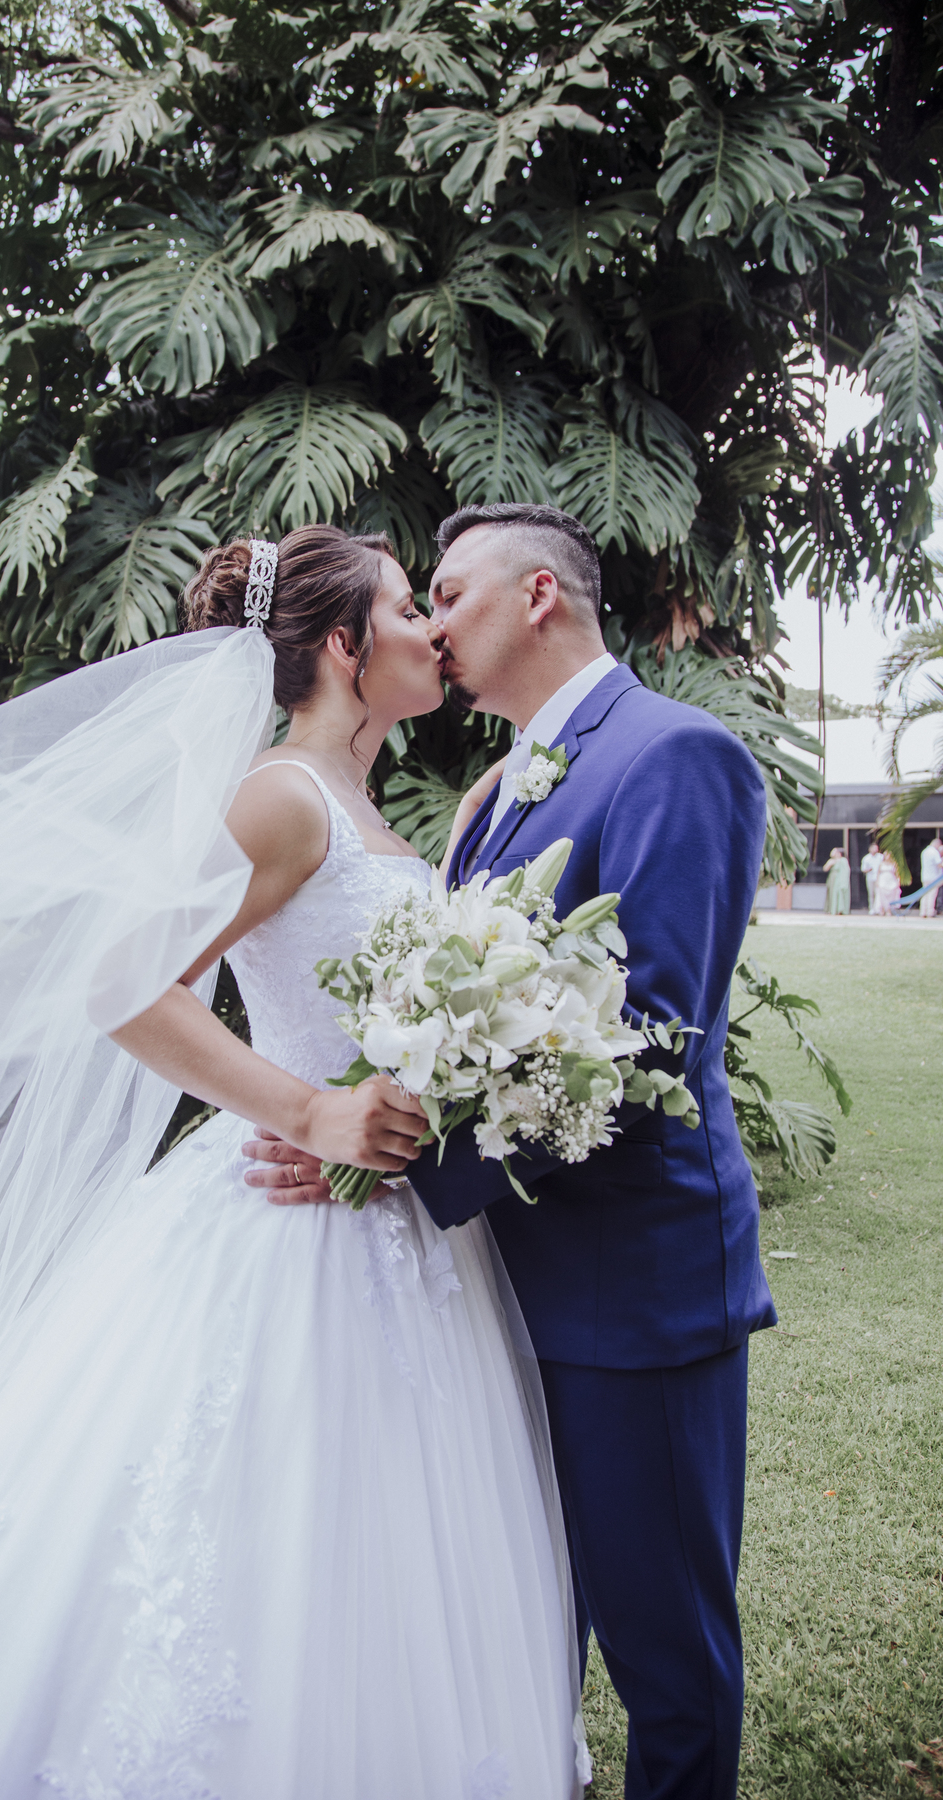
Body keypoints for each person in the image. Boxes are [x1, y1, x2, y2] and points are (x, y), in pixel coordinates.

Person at [0, 529, 585, 1797]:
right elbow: (125, 985)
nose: (432, 631)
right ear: (345, 647)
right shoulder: (284, 796)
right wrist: (311, 1114)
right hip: (292, 1225)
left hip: (404, 1235)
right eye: (409, 608)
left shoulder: (364, 805)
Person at [248, 504, 775, 1800]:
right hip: (497, 1291)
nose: (431, 623)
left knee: (664, 1648)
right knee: (535, 1628)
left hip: (633, 1292)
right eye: (414, 602)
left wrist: (388, 1162)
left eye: (448, 594)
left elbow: (653, 1042)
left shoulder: (673, 754)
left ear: (538, 596)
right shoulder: (502, 791)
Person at [824, 843, 851, 915]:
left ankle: (840, 909)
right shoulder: (832, 861)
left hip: (840, 879)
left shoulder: (843, 860)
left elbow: (846, 871)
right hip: (833, 879)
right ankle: (832, 909)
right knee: (832, 893)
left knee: (839, 893)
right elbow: (825, 868)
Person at [920, 832, 942, 917]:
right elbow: (939, 864)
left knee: (925, 894)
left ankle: (923, 912)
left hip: (925, 876)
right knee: (932, 895)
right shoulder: (934, 852)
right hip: (933, 877)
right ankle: (930, 912)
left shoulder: (924, 851)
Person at [876, 849, 902, 914]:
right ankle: (882, 909)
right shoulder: (881, 864)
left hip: (891, 880)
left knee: (891, 895)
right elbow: (878, 873)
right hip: (883, 880)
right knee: (882, 895)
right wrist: (877, 881)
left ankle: (889, 909)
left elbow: (897, 874)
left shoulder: (893, 864)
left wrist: (898, 881)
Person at [860, 838, 883, 913]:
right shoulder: (866, 858)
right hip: (870, 878)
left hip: (879, 878)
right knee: (871, 893)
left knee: (878, 893)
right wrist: (868, 870)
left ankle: (878, 908)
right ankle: (872, 908)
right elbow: (863, 869)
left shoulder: (881, 857)